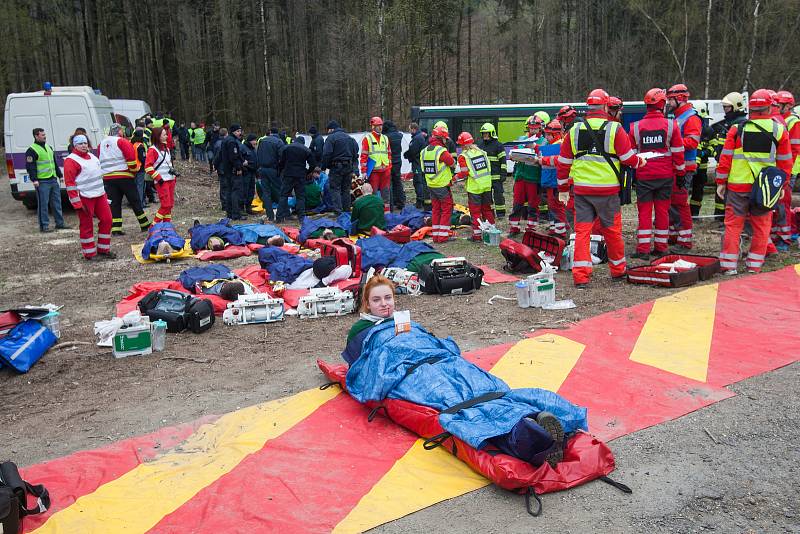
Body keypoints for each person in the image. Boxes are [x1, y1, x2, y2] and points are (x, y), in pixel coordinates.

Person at [342, 275, 576, 468]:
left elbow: (429, 340)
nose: (384, 304)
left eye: (388, 298)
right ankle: (527, 439)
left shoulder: (405, 321)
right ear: (367, 304)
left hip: (441, 359)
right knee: (455, 401)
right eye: (376, 300)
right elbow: (364, 366)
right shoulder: (360, 330)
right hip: (411, 372)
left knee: (483, 387)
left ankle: (533, 419)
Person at [557, 88, 645, 288]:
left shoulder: (574, 130)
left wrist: (562, 188)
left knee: (582, 232)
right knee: (612, 231)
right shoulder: (615, 129)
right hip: (607, 192)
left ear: (589, 107)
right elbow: (627, 159)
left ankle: (580, 276)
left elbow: (563, 163)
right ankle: (618, 270)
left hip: (582, 192)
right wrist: (640, 162)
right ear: (606, 106)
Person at [716, 89, 793, 274]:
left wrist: (720, 181)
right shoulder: (779, 130)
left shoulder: (737, 129)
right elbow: (785, 161)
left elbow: (725, 158)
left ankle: (728, 267)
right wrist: (781, 185)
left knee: (733, 226)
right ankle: (754, 266)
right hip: (765, 188)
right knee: (762, 226)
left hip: (737, 186)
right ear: (770, 108)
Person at [628, 88, 685, 260]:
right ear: (662, 104)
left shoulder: (635, 127)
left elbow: (631, 154)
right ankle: (662, 247)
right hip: (665, 176)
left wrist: (632, 176)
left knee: (644, 212)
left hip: (644, 176)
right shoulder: (671, 125)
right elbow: (678, 152)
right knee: (662, 211)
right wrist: (681, 173)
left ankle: (643, 249)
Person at [63, 135, 115, 260]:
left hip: (99, 195)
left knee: (107, 220)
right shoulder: (71, 161)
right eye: (80, 144)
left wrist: (104, 194)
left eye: (85, 143)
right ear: (74, 146)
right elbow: (70, 184)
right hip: (85, 197)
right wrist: (77, 203)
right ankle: (90, 253)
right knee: (87, 225)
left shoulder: (92, 157)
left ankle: (103, 249)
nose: (84, 145)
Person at [100, 123, 150, 235]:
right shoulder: (122, 141)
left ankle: (116, 229)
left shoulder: (101, 144)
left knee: (115, 203)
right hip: (124, 176)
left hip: (108, 178)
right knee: (135, 200)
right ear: (119, 131)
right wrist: (133, 171)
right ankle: (144, 224)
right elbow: (131, 158)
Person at [666, 84, 699, 251]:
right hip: (675, 167)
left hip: (685, 168)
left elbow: (693, 142)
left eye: (670, 99)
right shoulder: (677, 116)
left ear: (680, 99)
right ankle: (673, 235)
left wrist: (671, 143)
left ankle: (685, 241)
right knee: (672, 203)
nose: (668, 103)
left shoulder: (691, 117)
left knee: (680, 204)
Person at [26, 128, 68, 233]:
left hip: (53, 179)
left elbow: (54, 163)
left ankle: (60, 223)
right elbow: (30, 166)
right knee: (43, 204)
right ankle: (44, 226)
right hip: (42, 181)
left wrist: (60, 175)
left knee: (57, 203)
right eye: (42, 135)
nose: (45, 136)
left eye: (45, 134)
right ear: (36, 136)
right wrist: (34, 179)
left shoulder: (49, 147)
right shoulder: (31, 150)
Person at [455, 132, 494, 241]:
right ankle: (491, 231)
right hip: (486, 185)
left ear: (463, 145)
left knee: (475, 212)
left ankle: (477, 235)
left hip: (475, 188)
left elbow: (464, 173)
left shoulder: (463, 156)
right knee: (487, 209)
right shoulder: (482, 152)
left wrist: (453, 179)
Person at [772, 90, 799, 249]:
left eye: (779, 104)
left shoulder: (793, 121)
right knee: (776, 203)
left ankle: (785, 238)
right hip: (780, 168)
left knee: (783, 203)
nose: (776, 106)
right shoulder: (780, 119)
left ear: (788, 105)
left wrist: (786, 171)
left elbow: (794, 149)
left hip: (789, 168)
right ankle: (777, 234)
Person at [420, 125, 455, 243]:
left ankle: (436, 236)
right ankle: (443, 236)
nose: (446, 141)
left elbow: (423, 168)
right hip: (442, 185)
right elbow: (452, 163)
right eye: (445, 138)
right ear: (441, 138)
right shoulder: (441, 151)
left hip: (430, 185)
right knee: (446, 209)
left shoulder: (424, 151)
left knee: (435, 210)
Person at [509, 120, 542, 235]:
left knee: (533, 204)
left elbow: (544, 156)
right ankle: (514, 228)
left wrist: (535, 147)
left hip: (533, 177)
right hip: (520, 176)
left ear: (540, 128)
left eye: (535, 128)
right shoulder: (522, 139)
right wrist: (513, 155)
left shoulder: (543, 141)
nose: (533, 130)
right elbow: (514, 151)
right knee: (517, 203)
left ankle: (531, 229)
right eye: (531, 128)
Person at [537, 120, 568, 239]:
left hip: (557, 182)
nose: (546, 137)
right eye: (546, 134)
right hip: (551, 181)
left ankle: (561, 232)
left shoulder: (561, 145)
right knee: (552, 205)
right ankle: (555, 228)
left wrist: (541, 160)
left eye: (549, 134)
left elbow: (557, 162)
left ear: (556, 134)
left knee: (558, 206)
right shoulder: (550, 145)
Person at [321, 120, 358, 214]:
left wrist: (324, 166)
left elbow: (326, 154)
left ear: (332, 129)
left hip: (336, 167)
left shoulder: (331, 138)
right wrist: (354, 167)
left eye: (328, 130)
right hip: (348, 167)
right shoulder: (350, 138)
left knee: (335, 189)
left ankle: (338, 212)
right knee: (346, 190)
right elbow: (355, 153)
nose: (328, 132)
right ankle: (346, 211)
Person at [276, 137, 316, 223]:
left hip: (288, 175)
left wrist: (281, 172)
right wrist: (307, 172)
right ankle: (301, 218)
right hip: (300, 175)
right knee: (300, 197)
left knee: (284, 196)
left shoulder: (286, 148)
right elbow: (313, 164)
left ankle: (279, 217)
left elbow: (281, 162)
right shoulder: (306, 150)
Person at [145, 127, 178, 223]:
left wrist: (174, 177)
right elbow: (148, 167)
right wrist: (159, 178)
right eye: (164, 135)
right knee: (165, 205)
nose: (166, 136)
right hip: (162, 181)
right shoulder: (152, 150)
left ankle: (167, 226)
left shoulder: (166, 148)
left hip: (170, 180)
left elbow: (168, 165)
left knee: (170, 205)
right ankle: (154, 225)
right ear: (158, 136)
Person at [360, 116, 392, 211]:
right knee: (373, 194)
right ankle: (375, 213)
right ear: (373, 127)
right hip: (374, 171)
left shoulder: (385, 138)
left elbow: (389, 153)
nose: (380, 127)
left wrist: (389, 167)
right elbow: (363, 156)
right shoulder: (367, 138)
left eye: (381, 125)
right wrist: (364, 171)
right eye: (378, 126)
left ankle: (387, 214)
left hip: (385, 171)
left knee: (386, 195)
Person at [477, 123, 508, 219]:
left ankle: (501, 214)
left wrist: (503, 174)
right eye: (483, 133)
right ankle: (490, 214)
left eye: (487, 133)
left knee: (498, 196)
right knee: (487, 198)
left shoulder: (498, 145)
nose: (485, 135)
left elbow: (503, 161)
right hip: (485, 178)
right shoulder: (480, 145)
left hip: (497, 176)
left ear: (492, 133)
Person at [256, 126, 285, 221]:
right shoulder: (279, 142)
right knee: (281, 192)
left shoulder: (262, 141)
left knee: (266, 192)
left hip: (262, 169)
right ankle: (281, 215)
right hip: (273, 170)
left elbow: (258, 154)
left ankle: (270, 215)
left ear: (270, 132)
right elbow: (282, 158)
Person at [219, 124, 246, 220]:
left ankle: (229, 213)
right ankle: (236, 214)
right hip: (233, 171)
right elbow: (233, 157)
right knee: (235, 192)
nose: (240, 133)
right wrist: (239, 168)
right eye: (238, 131)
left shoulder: (227, 140)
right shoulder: (231, 142)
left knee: (229, 191)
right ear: (233, 132)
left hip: (227, 170)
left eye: (240, 131)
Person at [404, 122, 428, 209]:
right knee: (420, 181)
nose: (409, 131)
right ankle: (422, 199)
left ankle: (420, 200)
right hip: (418, 162)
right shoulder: (419, 137)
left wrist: (406, 155)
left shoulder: (417, 138)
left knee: (418, 182)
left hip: (417, 163)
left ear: (414, 129)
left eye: (410, 129)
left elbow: (413, 151)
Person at [383, 120, 405, 211]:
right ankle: (401, 202)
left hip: (390, 161)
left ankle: (391, 203)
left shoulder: (386, 137)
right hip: (398, 161)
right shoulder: (399, 135)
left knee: (389, 183)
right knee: (398, 182)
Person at [241, 133, 258, 215]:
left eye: (256, 140)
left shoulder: (254, 149)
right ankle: (241, 208)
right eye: (254, 140)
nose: (255, 142)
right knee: (244, 191)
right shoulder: (243, 148)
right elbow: (240, 160)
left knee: (251, 191)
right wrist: (245, 167)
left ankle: (248, 207)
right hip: (246, 173)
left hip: (253, 173)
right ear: (250, 141)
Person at [130, 129, 148, 208]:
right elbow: (142, 158)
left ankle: (135, 203)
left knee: (135, 187)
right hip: (140, 168)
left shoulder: (133, 144)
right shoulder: (140, 146)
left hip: (134, 168)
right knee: (140, 187)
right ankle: (140, 204)